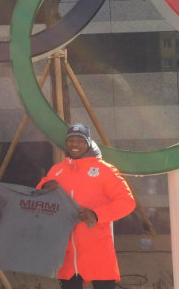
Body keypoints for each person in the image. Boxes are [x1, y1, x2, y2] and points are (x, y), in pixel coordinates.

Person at [37, 123, 136, 289]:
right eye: (71, 140)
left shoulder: (105, 170)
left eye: (80, 141)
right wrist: (42, 188)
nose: (74, 145)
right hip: (67, 257)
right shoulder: (56, 170)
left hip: (98, 254)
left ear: (88, 143)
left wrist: (97, 215)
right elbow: (38, 200)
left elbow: (127, 201)